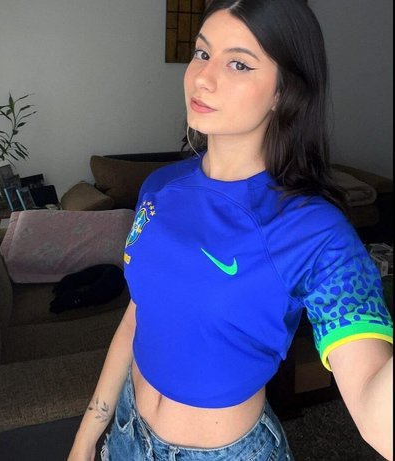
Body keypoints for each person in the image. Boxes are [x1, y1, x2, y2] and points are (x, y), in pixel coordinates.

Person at [68, 0, 393, 459]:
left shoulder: (313, 232)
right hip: (126, 429)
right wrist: (88, 434)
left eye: (238, 63)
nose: (203, 77)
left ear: (284, 92)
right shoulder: (160, 186)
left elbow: (380, 423)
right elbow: (140, 313)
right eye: (203, 53)